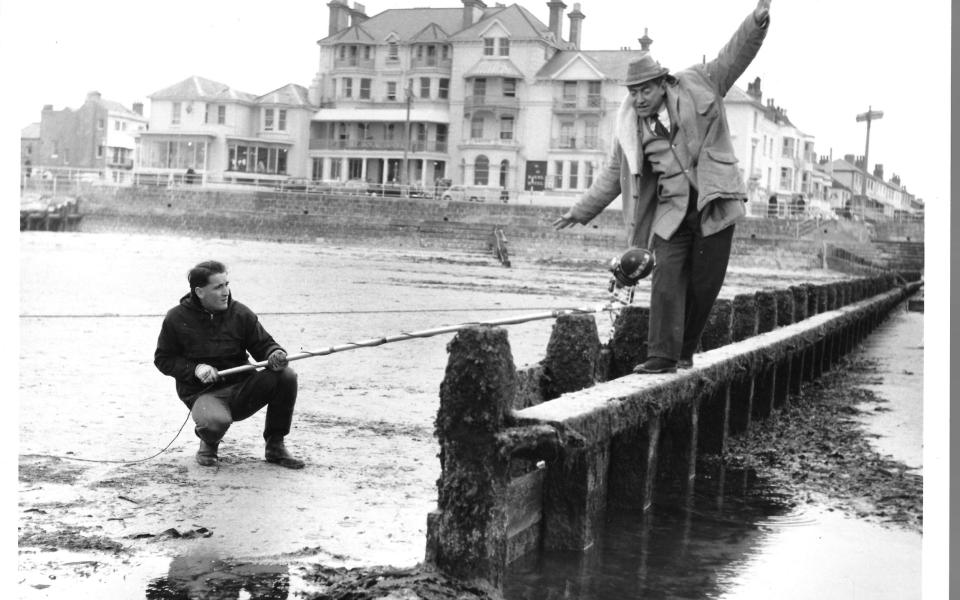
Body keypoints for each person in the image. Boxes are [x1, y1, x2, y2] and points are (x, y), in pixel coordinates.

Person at [553, 0, 772, 374]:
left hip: (713, 203)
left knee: (705, 285)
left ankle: (684, 350)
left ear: (661, 83)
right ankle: (662, 356)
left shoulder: (699, 82)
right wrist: (581, 210)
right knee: (666, 280)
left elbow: (735, 55)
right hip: (670, 213)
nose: (637, 99)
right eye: (632, 93)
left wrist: (757, 21)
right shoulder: (629, 127)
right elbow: (612, 174)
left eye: (643, 91)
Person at [154, 260, 304, 469]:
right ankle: (208, 440)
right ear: (199, 291)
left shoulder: (241, 313)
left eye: (227, 284)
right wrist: (196, 369)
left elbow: (264, 345)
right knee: (214, 422)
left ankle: (275, 446)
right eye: (218, 287)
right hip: (203, 393)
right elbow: (163, 359)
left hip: (243, 388)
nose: (226, 292)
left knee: (286, 376)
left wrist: (275, 354)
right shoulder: (176, 318)